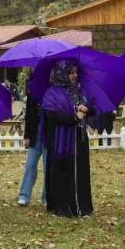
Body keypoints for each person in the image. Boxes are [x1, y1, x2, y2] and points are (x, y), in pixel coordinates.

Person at [41, 60, 97, 218]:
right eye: (71, 73)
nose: (74, 76)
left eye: (76, 73)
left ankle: (81, 206)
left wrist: (87, 109)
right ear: (61, 73)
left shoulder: (79, 91)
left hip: (79, 139)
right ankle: (62, 207)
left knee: (80, 172)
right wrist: (74, 117)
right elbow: (51, 116)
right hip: (59, 141)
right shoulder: (51, 93)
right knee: (61, 171)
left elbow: (93, 110)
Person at [16, 91, 46, 207]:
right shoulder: (33, 92)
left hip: (49, 133)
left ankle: (46, 197)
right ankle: (24, 195)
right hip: (35, 132)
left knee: (48, 166)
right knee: (30, 164)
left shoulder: (54, 90)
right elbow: (29, 115)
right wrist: (27, 136)